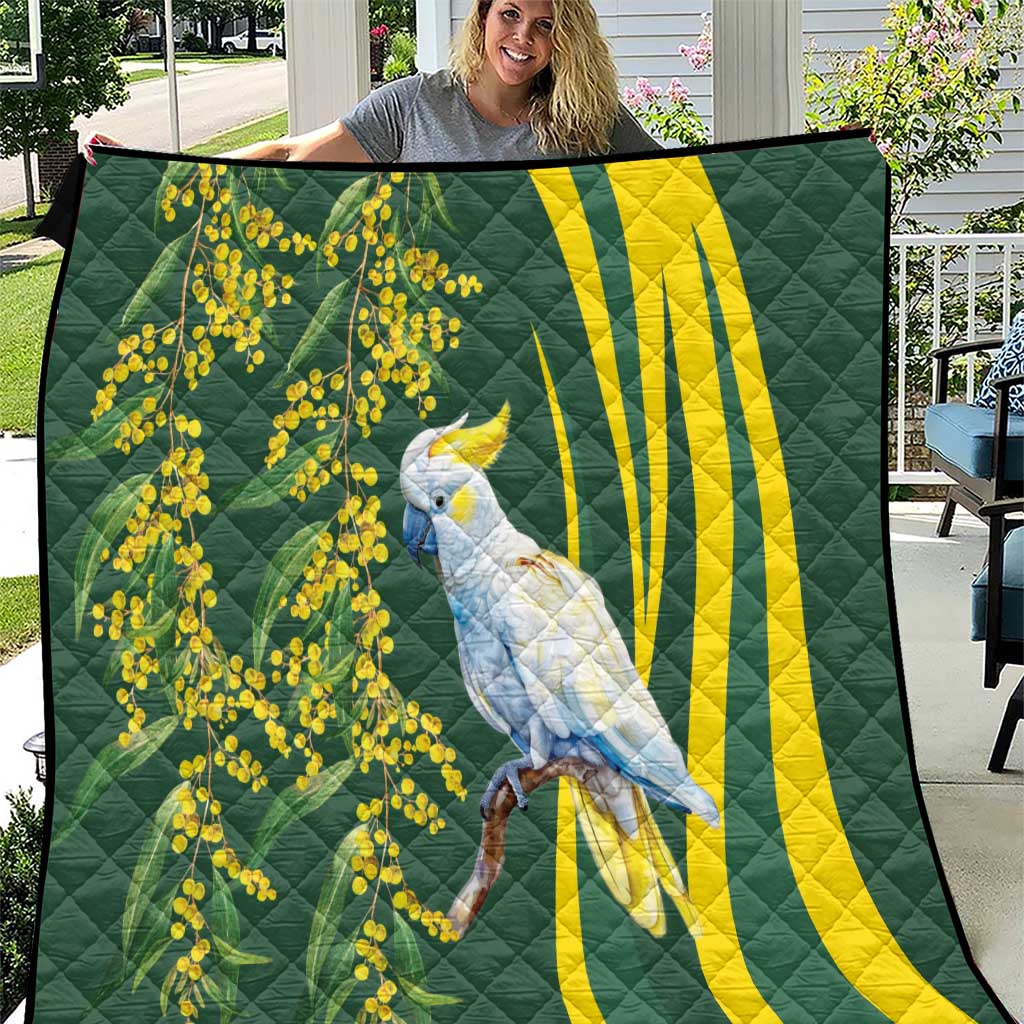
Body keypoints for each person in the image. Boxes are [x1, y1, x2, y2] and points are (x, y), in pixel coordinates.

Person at [83, 0, 659, 165]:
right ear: (482, 16)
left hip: (551, 338)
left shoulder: (589, 116)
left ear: (564, 39)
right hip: (433, 334)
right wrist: (150, 164)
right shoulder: (414, 105)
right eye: (510, 14)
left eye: (544, 25)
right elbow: (291, 153)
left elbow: (687, 187)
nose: (522, 37)